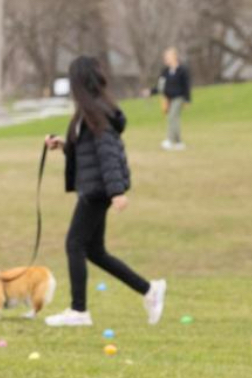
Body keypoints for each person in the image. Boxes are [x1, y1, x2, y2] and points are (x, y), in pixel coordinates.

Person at [44, 56, 166, 327]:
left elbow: (108, 154)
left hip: (97, 190)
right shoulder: (89, 111)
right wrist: (63, 144)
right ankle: (149, 290)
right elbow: (88, 150)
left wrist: (116, 192)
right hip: (94, 187)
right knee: (95, 251)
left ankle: (79, 311)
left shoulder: (96, 112)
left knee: (74, 243)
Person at [153, 47, 191, 150]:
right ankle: (179, 142)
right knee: (174, 119)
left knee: (172, 117)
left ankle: (169, 140)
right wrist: (151, 92)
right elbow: (160, 86)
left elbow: (186, 86)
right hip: (168, 98)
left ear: (174, 57)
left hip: (179, 97)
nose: (166, 59)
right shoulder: (165, 71)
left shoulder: (182, 70)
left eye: (168, 57)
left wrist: (187, 100)